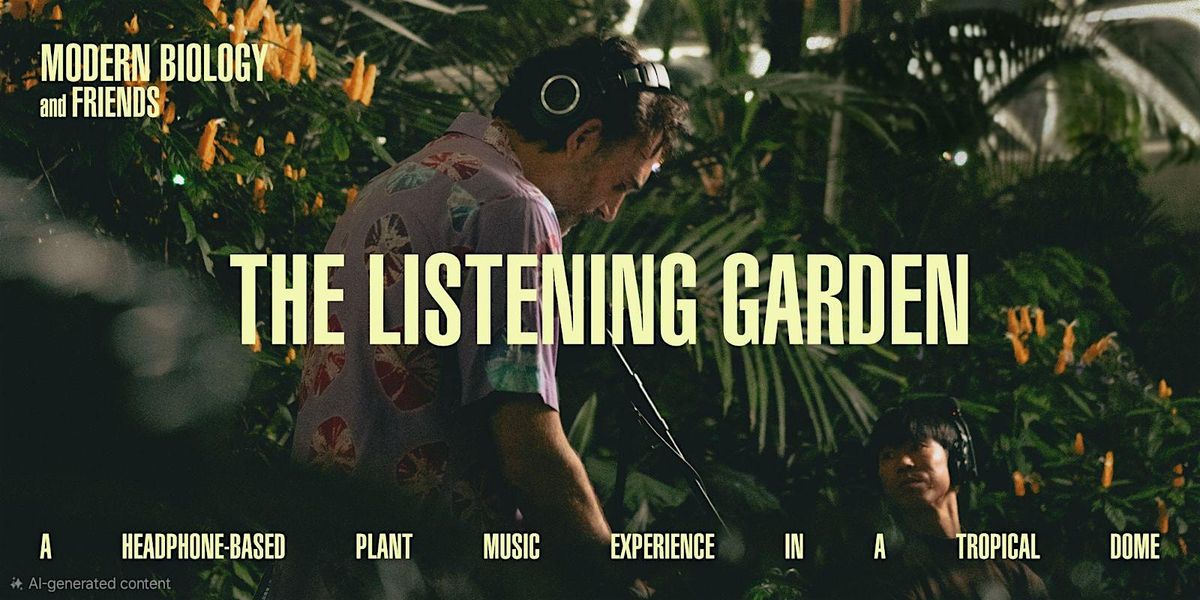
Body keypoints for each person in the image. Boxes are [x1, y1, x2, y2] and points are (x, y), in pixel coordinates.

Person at [266, 35, 688, 599]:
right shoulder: (515, 208)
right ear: (584, 137)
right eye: (620, 185)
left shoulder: (405, 179)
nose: (611, 211)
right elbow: (526, 442)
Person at [860, 396, 1050, 600]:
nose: (903, 462)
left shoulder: (1014, 575)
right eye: (888, 455)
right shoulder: (883, 577)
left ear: (957, 459)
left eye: (916, 447)